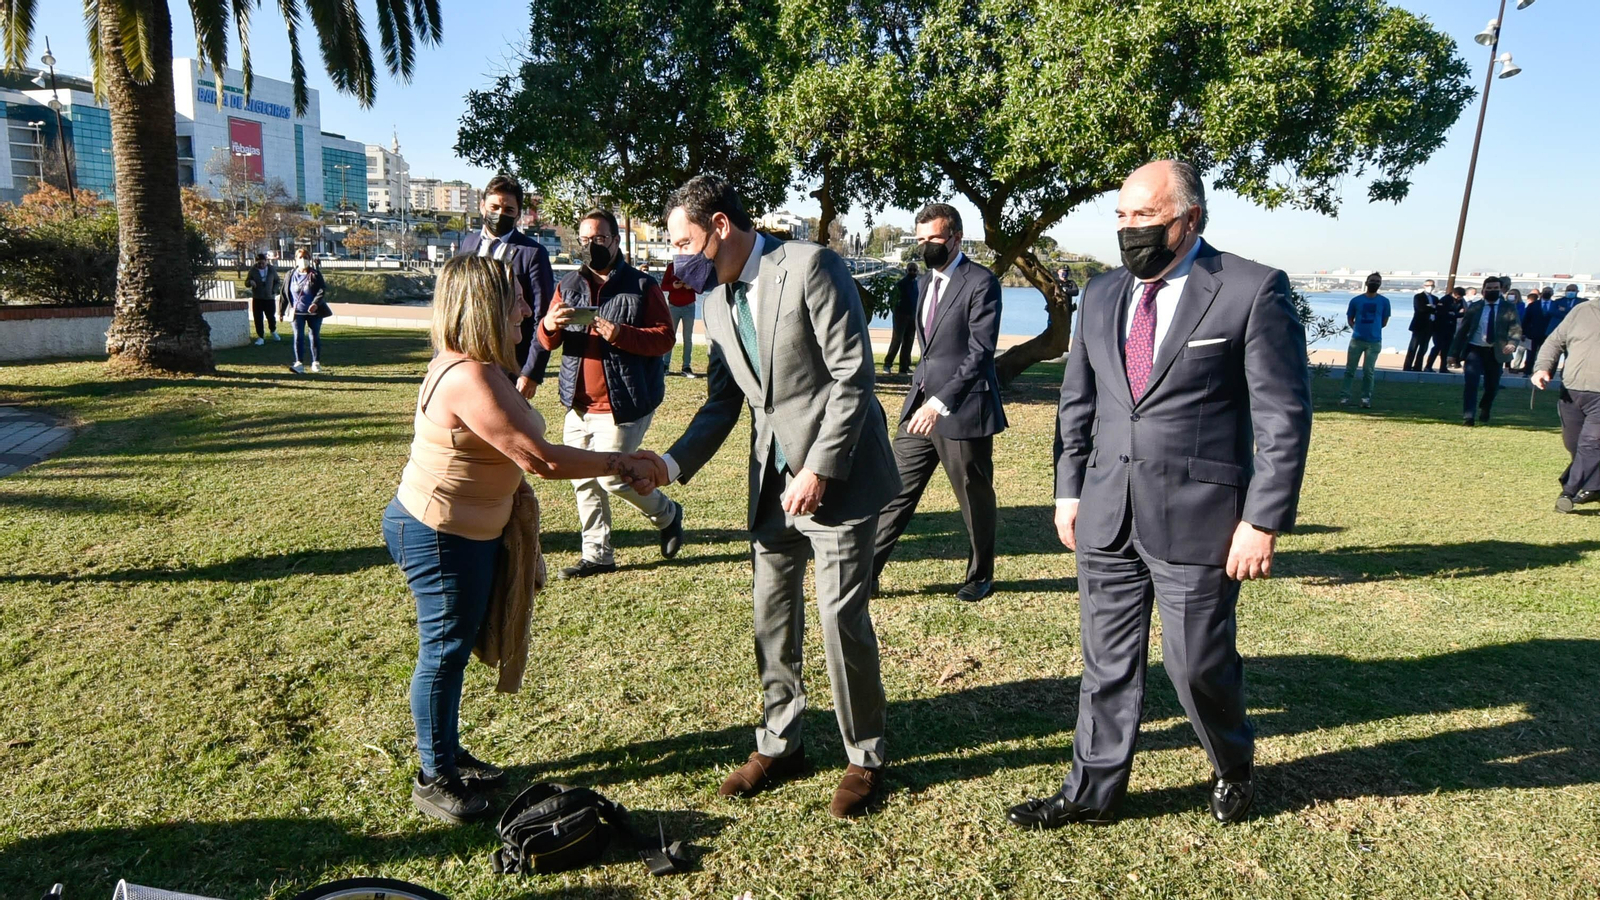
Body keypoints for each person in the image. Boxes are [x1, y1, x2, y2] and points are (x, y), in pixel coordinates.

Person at [1009, 160, 1312, 831]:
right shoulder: (1101, 294)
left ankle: (1232, 762)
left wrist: (1262, 520)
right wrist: (1068, 491)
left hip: (1200, 518)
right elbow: (1078, 401)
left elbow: (1282, 416)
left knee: (1196, 664)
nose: (1129, 229)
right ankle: (1092, 793)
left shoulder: (1251, 289)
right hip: (1106, 512)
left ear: (1189, 218)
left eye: (1144, 216)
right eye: (1121, 216)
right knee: (1107, 665)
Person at [384, 255, 663, 824]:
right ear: (484, 306)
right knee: (444, 651)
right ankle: (434, 776)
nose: (525, 307)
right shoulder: (467, 377)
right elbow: (540, 458)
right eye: (514, 297)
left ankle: (447, 752)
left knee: (454, 647)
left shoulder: (482, 366)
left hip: (465, 530)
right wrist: (621, 461)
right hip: (440, 533)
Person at [653, 175, 900, 819]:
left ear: (720, 227)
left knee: (840, 619)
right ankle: (780, 741)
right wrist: (671, 464)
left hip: (838, 477)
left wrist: (819, 468)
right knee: (772, 616)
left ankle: (864, 756)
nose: (677, 257)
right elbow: (724, 401)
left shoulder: (812, 265)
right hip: (771, 485)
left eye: (682, 242)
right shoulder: (713, 301)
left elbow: (853, 377)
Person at [536, 209, 684, 579]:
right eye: (585, 239)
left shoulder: (642, 285)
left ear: (616, 241)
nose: (592, 246)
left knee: (612, 477)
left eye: (599, 239)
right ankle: (597, 555)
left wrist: (620, 335)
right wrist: (549, 325)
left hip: (623, 403)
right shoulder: (568, 284)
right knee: (582, 478)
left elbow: (665, 337)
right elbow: (548, 341)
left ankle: (667, 514)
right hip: (578, 404)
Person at [871, 204, 1006, 602]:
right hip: (919, 406)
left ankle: (981, 575)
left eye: (933, 238)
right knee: (893, 490)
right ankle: (866, 572)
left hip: (962, 410)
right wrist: (924, 400)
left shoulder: (981, 282)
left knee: (973, 496)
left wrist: (940, 403)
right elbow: (928, 351)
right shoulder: (924, 283)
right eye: (921, 239)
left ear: (956, 238)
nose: (926, 246)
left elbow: (980, 353)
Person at [456, 175, 555, 398]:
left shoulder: (533, 254)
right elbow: (455, 303)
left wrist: (531, 372)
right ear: (482, 206)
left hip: (511, 364)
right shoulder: (468, 244)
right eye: (494, 207)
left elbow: (541, 316)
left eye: (509, 210)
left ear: (517, 214)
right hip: (468, 358)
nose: (500, 214)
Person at [1531, 295, 1600, 512]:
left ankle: (1568, 493)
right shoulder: (1582, 310)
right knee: (1574, 444)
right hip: (1571, 392)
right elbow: (1554, 342)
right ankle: (1595, 487)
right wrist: (1543, 368)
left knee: (1591, 444)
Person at [1448, 276, 1523, 426]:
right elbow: (1463, 331)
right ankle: (1468, 416)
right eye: (1489, 288)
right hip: (1475, 350)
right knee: (1471, 383)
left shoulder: (1508, 307)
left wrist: (1512, 343)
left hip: (1496, 352)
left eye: (1495, 288)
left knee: (1492, 386)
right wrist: (1453, 353)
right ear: (1483, 290)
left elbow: (1515, 328)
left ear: (1501, 290)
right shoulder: (1475, 307)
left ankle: (1485, 406)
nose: (1492, 291)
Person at [1340, 273, 1390, 408]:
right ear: (1367, 282)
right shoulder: (1356, 300)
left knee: (1369, 371)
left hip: (1374, 341)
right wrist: (1356, 328)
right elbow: (1350, 318)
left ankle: (1366, 398)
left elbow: (1384, 321)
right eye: (1372, 280)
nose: (1375, 283)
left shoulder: (1384, 302)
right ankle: (1344, 396)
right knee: (1350, 370)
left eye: (1377, 281)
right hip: (1357, 340)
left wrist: (1373, 329)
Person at [280, 247, 330, 374]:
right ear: (296, 259)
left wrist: (315, 303)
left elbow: (321, 290)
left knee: (314, 335)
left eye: (306, 257)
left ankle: (316, 362)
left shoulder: (315, 274)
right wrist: (281, 311)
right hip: (297, 312)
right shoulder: (290, 274)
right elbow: (284, 293)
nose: (303, 260)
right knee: (298, 336)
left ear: (310, 259)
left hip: (314, 312)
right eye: (300, 257)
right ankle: (299, 363)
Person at [661, 257, 700, 377]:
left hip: (689, 307)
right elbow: (663, 286)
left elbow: (700, 287)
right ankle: (665, 365)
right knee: (670, 336)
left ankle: (686, 367)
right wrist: (673, 286)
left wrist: (691, 286)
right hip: (673, 306)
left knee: (687, 338)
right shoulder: (671, 267)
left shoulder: (694, 267)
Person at [1524, 284, 1576, 375]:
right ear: (1541, 293)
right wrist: (1524, 332)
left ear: (1552, 294)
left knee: (1550, 354)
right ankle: (1527, 371)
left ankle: (1548, 373)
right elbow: (1526, 319)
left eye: (1549, 292)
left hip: (1550, 333)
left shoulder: (1556, 304)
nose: (1547, 293)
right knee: (1531, 354)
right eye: (1545, 291)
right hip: (1534, 333)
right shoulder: (1533, 305)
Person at [883, 262, 920, 375]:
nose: (912, 272)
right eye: (910, 270)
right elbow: (892, 300)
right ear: (906, 271)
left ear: (917, 271)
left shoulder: (918, 285)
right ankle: (888, 364)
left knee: (909, 342)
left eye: (914, 270)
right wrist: (896, 312)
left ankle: (904, 367)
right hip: (901, 316)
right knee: (897, 340)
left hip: (913, 316)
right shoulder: (900, 284)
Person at [245, 252, 282, 345]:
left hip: (269, 298)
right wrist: (250, 282)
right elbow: (246, 282)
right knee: (258, 318)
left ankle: (273, 331)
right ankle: (260, 337)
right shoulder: (253, 270)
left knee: (271, 317)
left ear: (266, 261)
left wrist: (273, 291)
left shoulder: (271, 269)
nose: (261, 265)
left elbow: (277, 281)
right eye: (259, 263)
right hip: (257, 298)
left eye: (263, 263)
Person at [1426, 286, 1466, 373]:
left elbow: (1463, 313)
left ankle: (1443, 367)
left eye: (1460, 297)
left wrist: (1453, 314)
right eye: (1458, 297)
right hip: (1440, 327)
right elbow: (1441, 312)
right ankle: (1428, 366)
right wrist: (1454, 314)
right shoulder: (1445, 299)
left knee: (1446, 348)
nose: (1459, 299)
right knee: (1437, 346)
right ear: (1454, 294)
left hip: (1451, 327)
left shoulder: (1461, 301)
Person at [1403, 279, 1436, 371]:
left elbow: (1439, 309)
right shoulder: (1418, 297)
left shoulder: (1435, 298)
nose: (1430, 287)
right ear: (1424, 286)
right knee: (1413, 347)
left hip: (1430, 325)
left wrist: (1431, 307)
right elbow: (1420, 308)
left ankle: (1418, 366)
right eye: (1428, 285)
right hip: (1419, 325)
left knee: (1423, 348)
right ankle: (1407, 366)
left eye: (1432, 285)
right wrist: (1432, 308)